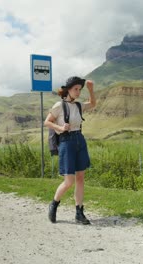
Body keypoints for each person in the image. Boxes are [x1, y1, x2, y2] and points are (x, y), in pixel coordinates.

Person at [44, 76, 96, 225]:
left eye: (80, 89)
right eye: (76, 89)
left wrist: (91, 90)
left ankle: (79, 212)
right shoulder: (58, 106)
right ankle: (54, 203)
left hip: (80, 140)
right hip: (66, 142)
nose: (78, 92)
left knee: (80, 178)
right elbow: (47, 122)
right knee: (69, 182)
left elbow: (92, 104)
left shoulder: (79, 105)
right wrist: (60, 128)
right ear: (68, 89)